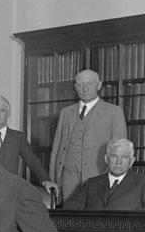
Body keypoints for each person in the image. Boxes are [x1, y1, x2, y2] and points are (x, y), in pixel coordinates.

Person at [49, 69, 126, 204]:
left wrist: (112, 181)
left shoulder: (114, 112)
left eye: (89, 84)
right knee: (70, 217)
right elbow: (56, 149)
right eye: (80, 84)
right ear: (75, 87)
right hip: (68, 177)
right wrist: (53, 179)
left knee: (95, 218)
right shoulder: (66, 113)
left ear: (99, 85)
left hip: (99, 176)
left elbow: (119, 150)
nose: (84, 88)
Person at [63, 138, 145, 210]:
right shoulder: (91, 184)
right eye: (114, 157)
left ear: (131, 161)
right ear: (106, 159)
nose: (118, 162)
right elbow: (69, 210)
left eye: (124, 158)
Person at [0, 95, 56, 194]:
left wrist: (46, 181)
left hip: (10, 190)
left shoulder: (18, 137)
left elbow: (32, 160)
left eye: (1, 110)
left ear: (8, 113)